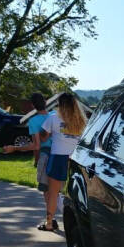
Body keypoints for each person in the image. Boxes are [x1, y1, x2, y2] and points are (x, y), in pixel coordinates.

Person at [2, 93, 56, 228]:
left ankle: (50, 221)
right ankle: (51, 220)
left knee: (47, 190)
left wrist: (14, 148)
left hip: (46, 156)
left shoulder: (34, 121)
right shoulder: (55, 115)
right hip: (60, 155)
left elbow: (36, 146)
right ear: (46, 101)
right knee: (56, 190)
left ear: (32, 105)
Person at [38, 92, 86, 232]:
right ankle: (80, 225)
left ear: (60, 104)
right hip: (76, 159)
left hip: (58, 158)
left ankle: (49, 224)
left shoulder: (53, 118)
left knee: (53, 193)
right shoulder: (81, 121)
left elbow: (43, 137)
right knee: (77, 194)